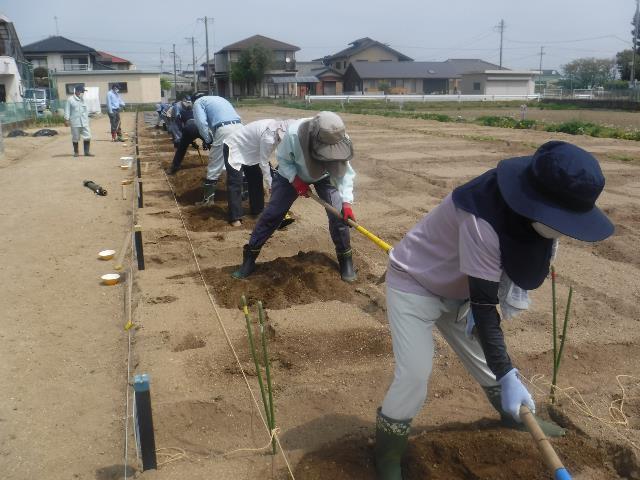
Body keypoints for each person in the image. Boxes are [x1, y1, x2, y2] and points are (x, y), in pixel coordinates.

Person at [374, 141, 614, 480]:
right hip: (416, 283)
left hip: (460, 290)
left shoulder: (530, 211)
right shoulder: (481, 216)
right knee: (415, 374)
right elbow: (486, 306)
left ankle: (510, 413)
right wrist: (507, 370)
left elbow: (496, 288)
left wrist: (504, 372)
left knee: (490, 364)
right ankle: (387, 453)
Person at [232, 111, 357, 282]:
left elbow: (344, 174)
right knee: (273, 214)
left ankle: (345, 260)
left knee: (338, 214)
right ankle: (250, 257)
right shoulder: (293, 134)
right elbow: (283, 159)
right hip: (291, 174)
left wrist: (347, 203)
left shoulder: (337, 137)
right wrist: (296, 181)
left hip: (325, 175)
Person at [223, 119, 294, 226]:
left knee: (256, 178)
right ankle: (235, 217)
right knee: (235, 182)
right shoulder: (268, 138)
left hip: (252, 149)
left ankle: (258, 210)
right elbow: (264, 163)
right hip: (235, 146)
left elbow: (281, 157)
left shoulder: (277, 128)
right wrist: (271, 184)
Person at [192, 94, 242, 205]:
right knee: (237, 162)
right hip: (240, 127)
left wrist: (207, 139)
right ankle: (244, 195)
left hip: (225, 129)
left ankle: (208, 201)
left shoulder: (198, 102)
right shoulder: (219, 98)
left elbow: (201, 123)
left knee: (214, 165)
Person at [64, 85, 93, 157]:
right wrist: (66, 119)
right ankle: (76, 152)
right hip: (75, 122)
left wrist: (89, 117)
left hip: (84, 121)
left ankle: (86, 152)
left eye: (83, 92)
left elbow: (86, 110)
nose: (83, 93)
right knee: (75, 137)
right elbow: (67, 110)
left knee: (88, 136)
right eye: (82, 91)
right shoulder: (70, 99)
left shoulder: (84, 99)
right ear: (77, 91)